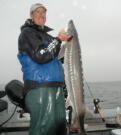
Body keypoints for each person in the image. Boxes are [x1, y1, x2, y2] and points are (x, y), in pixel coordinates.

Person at [17, 3, 72, 135]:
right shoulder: (27, 33)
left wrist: (68, 46)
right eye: (37, 12)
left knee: (60, 126)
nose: (41, 15)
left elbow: (56, 58)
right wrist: (58, 39)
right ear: (31, 16)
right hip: (40, 88)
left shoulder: (48, 37)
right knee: (44, 129)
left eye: (43, 12)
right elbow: (41, 55)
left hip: (57, 88)